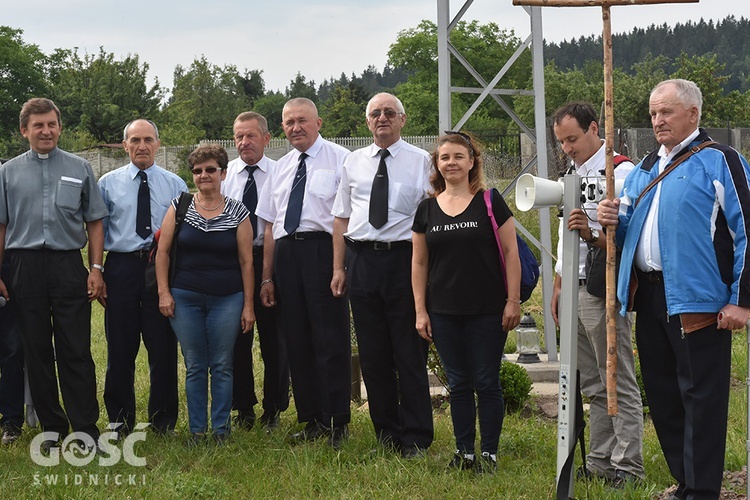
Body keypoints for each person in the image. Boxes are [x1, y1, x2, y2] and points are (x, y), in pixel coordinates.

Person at [598, 79, 750, 500]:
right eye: (652, 113)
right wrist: (612, 219)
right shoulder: (646, 165)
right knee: (664, 396)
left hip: (698, 300)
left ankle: (702, 491)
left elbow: (746, 231)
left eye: (666, 112)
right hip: (648, 296)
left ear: (693, 114)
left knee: (700, 398)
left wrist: (742, 300)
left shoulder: (721, 160)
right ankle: (685, 482)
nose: (657, 120)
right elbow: (630, 229)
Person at [0, 97, 108, 451]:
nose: (46, 131)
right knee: (36, 351)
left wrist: (95, 268)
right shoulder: (7, 172)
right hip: (23, 266)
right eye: (38, 125)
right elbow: (1, 226)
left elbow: (94, 220)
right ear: (24, 131)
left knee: (75, 349)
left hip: (66, 265)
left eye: (51, 124)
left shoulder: (79, 167)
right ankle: (52, 428)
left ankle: (85, 429)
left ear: (60, 127)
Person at [331, 93, 433, 458]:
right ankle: (387, 435)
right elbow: (341, 217)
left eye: (390, 112)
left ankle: (417, 437)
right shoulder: (353, 162)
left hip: (404, 261)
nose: (382, 118)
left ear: (403, 119)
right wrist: (338, 267)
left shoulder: (422, 161)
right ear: (367, 122)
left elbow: (431, 217)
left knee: (409, 353)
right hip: (361, 261)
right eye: (375, 113)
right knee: (373, 355)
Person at [411, 132, 521, 473]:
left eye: (459, 156)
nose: (451, 163)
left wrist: (513, 301)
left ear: (472, 161)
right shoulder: (426, 208)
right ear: (437, 164)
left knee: (486, 381)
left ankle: (488, 453)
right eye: (445, 158)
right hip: (443, 312)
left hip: (488, 310)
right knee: (458, 383)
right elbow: (419, 263)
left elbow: (511, 253)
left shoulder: (489, 200)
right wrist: (420, 311)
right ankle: (464, 453)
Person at [549, 102, 644, 486]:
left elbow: (631, 238)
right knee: (592, 382)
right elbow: (564, 234)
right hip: (573, 285)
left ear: (594, 128)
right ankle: (602, 460)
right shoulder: (572, 171)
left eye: (572, 139)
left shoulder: (620, 173)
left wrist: (591, 235)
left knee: (616, 379)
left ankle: (628, 465)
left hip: (602, 289)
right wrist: (557, 283)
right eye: (561, 142)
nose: (567, 148)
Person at [255, 97, 351, 449]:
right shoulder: (281, 167)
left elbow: (346, 219)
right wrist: (267, 276)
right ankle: (310, 418)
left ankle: (336, 419)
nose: (295, 127)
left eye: (302, 120)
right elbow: (268, 226)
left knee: (330, 339)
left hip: (323, 251)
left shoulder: (342, 160)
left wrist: (339, 265)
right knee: (296, 339)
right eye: (289, 122)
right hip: (286, 255)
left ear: (318, 122)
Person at [156, 144, 255, 445]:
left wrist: (248, 305)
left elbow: (246, 261)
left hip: (228, 298)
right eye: (198, 171)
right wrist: (164, 293)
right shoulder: (179, 206)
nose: (204, 175)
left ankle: (221, 430)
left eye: (211, 169)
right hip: (185, 298)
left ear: (223, 173)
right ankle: (198, 431)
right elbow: (162, 253)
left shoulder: (238, 211)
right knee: (196, 365)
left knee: (222, 365)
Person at [98, 119, 188, 438]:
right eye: (135, 140)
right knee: (120, 349)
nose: (142, 146)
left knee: (162, 347)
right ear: (125, 145)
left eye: (148, 139)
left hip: (158, 268)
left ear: (158, 144)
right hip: (120, 267)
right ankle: (120, 422)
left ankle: (163, 422)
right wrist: (99, 270)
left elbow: (181, 236)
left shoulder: (175, 185)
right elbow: (99, 231)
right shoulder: (107, 184)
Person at [222, 111, 289, 431]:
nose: (244, 142)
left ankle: (274, 409)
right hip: (233, 261)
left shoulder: (281, 172)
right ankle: (243, 408)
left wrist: (268, 274)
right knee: (237, 337)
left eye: (251, 136)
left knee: (274, 339)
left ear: (266, 138)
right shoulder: (226, 175)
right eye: (238, 137)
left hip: (270, 257)